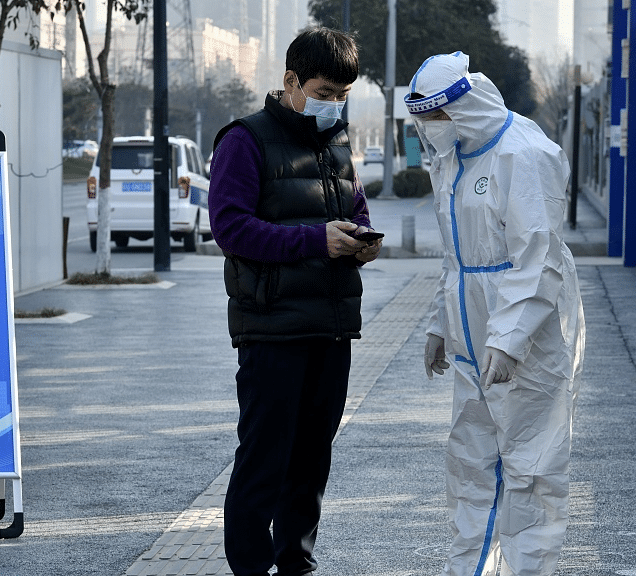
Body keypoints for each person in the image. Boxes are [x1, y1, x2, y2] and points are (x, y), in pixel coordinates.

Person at [207, 27, 381, 576]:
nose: (334, 105)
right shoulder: (244, 139)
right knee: (265, 457)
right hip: (271, 326)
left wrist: (361, 240)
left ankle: (296, 563)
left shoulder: (337, 143)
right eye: (325, 92)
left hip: (331, 325)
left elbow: (354, 204)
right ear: (291, 81)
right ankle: (252, 568)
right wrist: (316, 240)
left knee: (312, 458)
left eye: (343, 96)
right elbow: (230, 228)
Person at [407, 52, 586, 576]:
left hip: (529, 339)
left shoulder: (523, 153)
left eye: (434, 118)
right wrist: (442, 324)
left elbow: (537, 259)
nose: (428, 130)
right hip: (469, 337)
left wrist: (509, 340)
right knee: (470, 466)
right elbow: (457, 256)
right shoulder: (454, 159)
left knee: (531, 470)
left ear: (461, 108)